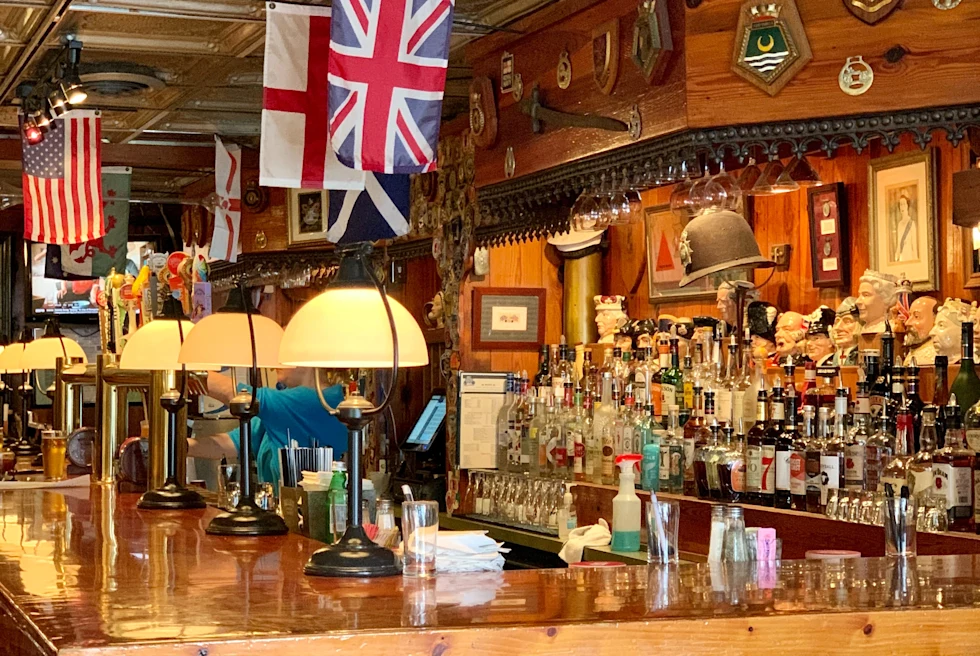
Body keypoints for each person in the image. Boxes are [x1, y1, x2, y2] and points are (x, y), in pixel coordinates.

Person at [188, 367, 348, 488]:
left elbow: (235, 394)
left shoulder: (318, 401)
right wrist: (179, 446)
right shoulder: (282, 411)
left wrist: (182, 373)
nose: (274, 362)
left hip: (315, 521)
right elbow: (232, 443)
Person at [893, 194, 918, 263]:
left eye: (904, 204)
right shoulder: (899, 225)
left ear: (907, 206)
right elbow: (899, 243)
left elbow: (914, 246)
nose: (902, 206)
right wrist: (896, 255)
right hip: (902, 256)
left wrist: (915, 260)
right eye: (901, 204)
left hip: (909, 255)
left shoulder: (911, 224)